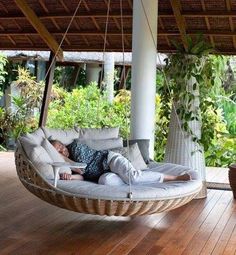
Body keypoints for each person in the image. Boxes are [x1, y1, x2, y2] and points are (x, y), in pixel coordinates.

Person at [50, 140, 191, 184]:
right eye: (58, 152)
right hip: (103, 174)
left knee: (134, 179)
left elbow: (82, 169)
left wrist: (62, 158)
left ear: (64, 144)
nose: (63, 151)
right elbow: (81, 176)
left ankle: (175, 177)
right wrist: (70, 177)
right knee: (104, 182)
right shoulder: (70, 162)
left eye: (61, 147)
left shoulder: (75, 147)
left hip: (110, 161)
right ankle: (129, 177)